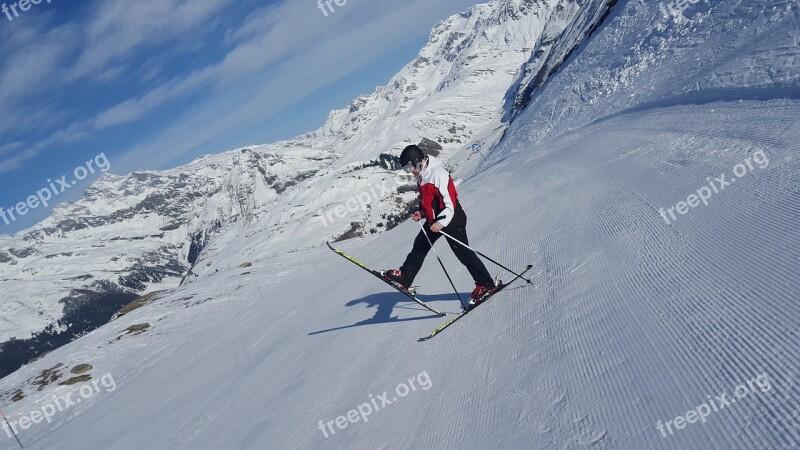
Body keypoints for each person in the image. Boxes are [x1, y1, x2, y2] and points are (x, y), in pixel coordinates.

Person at [383, 145, 497, 305]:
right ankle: (405, 277)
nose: (409, 171)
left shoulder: (439, 174)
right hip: (434, 221)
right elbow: (429, 202)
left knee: (463, 252)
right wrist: (421, 212)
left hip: (452, 219)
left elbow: (449, 204)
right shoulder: (423, 176)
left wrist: (440, 222)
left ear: (416, 161)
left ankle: (486, 285)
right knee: (420, 245)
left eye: (409, 167)